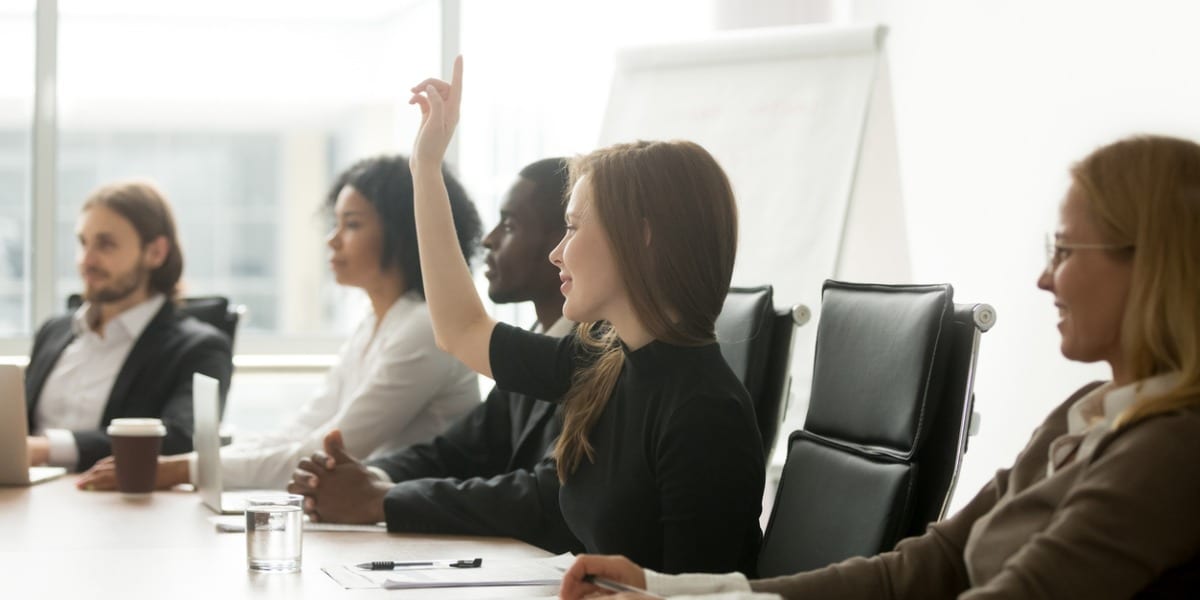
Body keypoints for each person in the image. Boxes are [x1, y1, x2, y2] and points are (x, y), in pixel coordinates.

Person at [560, 134, 1200, 599]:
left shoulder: (1172, 449)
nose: (1043, 277)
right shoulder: (1086, 412)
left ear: (1153, 263)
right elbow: (921, 568)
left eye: (1063, 249)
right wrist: (672, 592)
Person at [401, 57, 765, 575]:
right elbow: (460, 329)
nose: (557, 253)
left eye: (572, 228)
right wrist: (426, 169)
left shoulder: (704, 412)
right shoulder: (603, 363)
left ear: (641, 236)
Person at [77, 155, 483, 491]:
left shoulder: (424, 328)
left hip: (426, 534)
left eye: (352, 224)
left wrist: (182, 470)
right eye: (335, 223)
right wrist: (192, 464)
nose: (333, 240)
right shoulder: (377, 324)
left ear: (405, 232)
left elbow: (328, 451)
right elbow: (299, 429)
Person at [287, 157, 583, 553]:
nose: (488, 240)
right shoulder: (540, 341)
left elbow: (544, 495)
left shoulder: (595, 354)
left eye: (510, 225)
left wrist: (379, 498)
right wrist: (367, 477)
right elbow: (459, 450)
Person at [24, 181, 232, 473]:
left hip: (117, 505)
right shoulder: (53, 332)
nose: (87, 261)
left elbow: (181, 438)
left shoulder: (199, 348)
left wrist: (46, 450)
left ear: (156, 252)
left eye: (105, 244)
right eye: (83, 243)